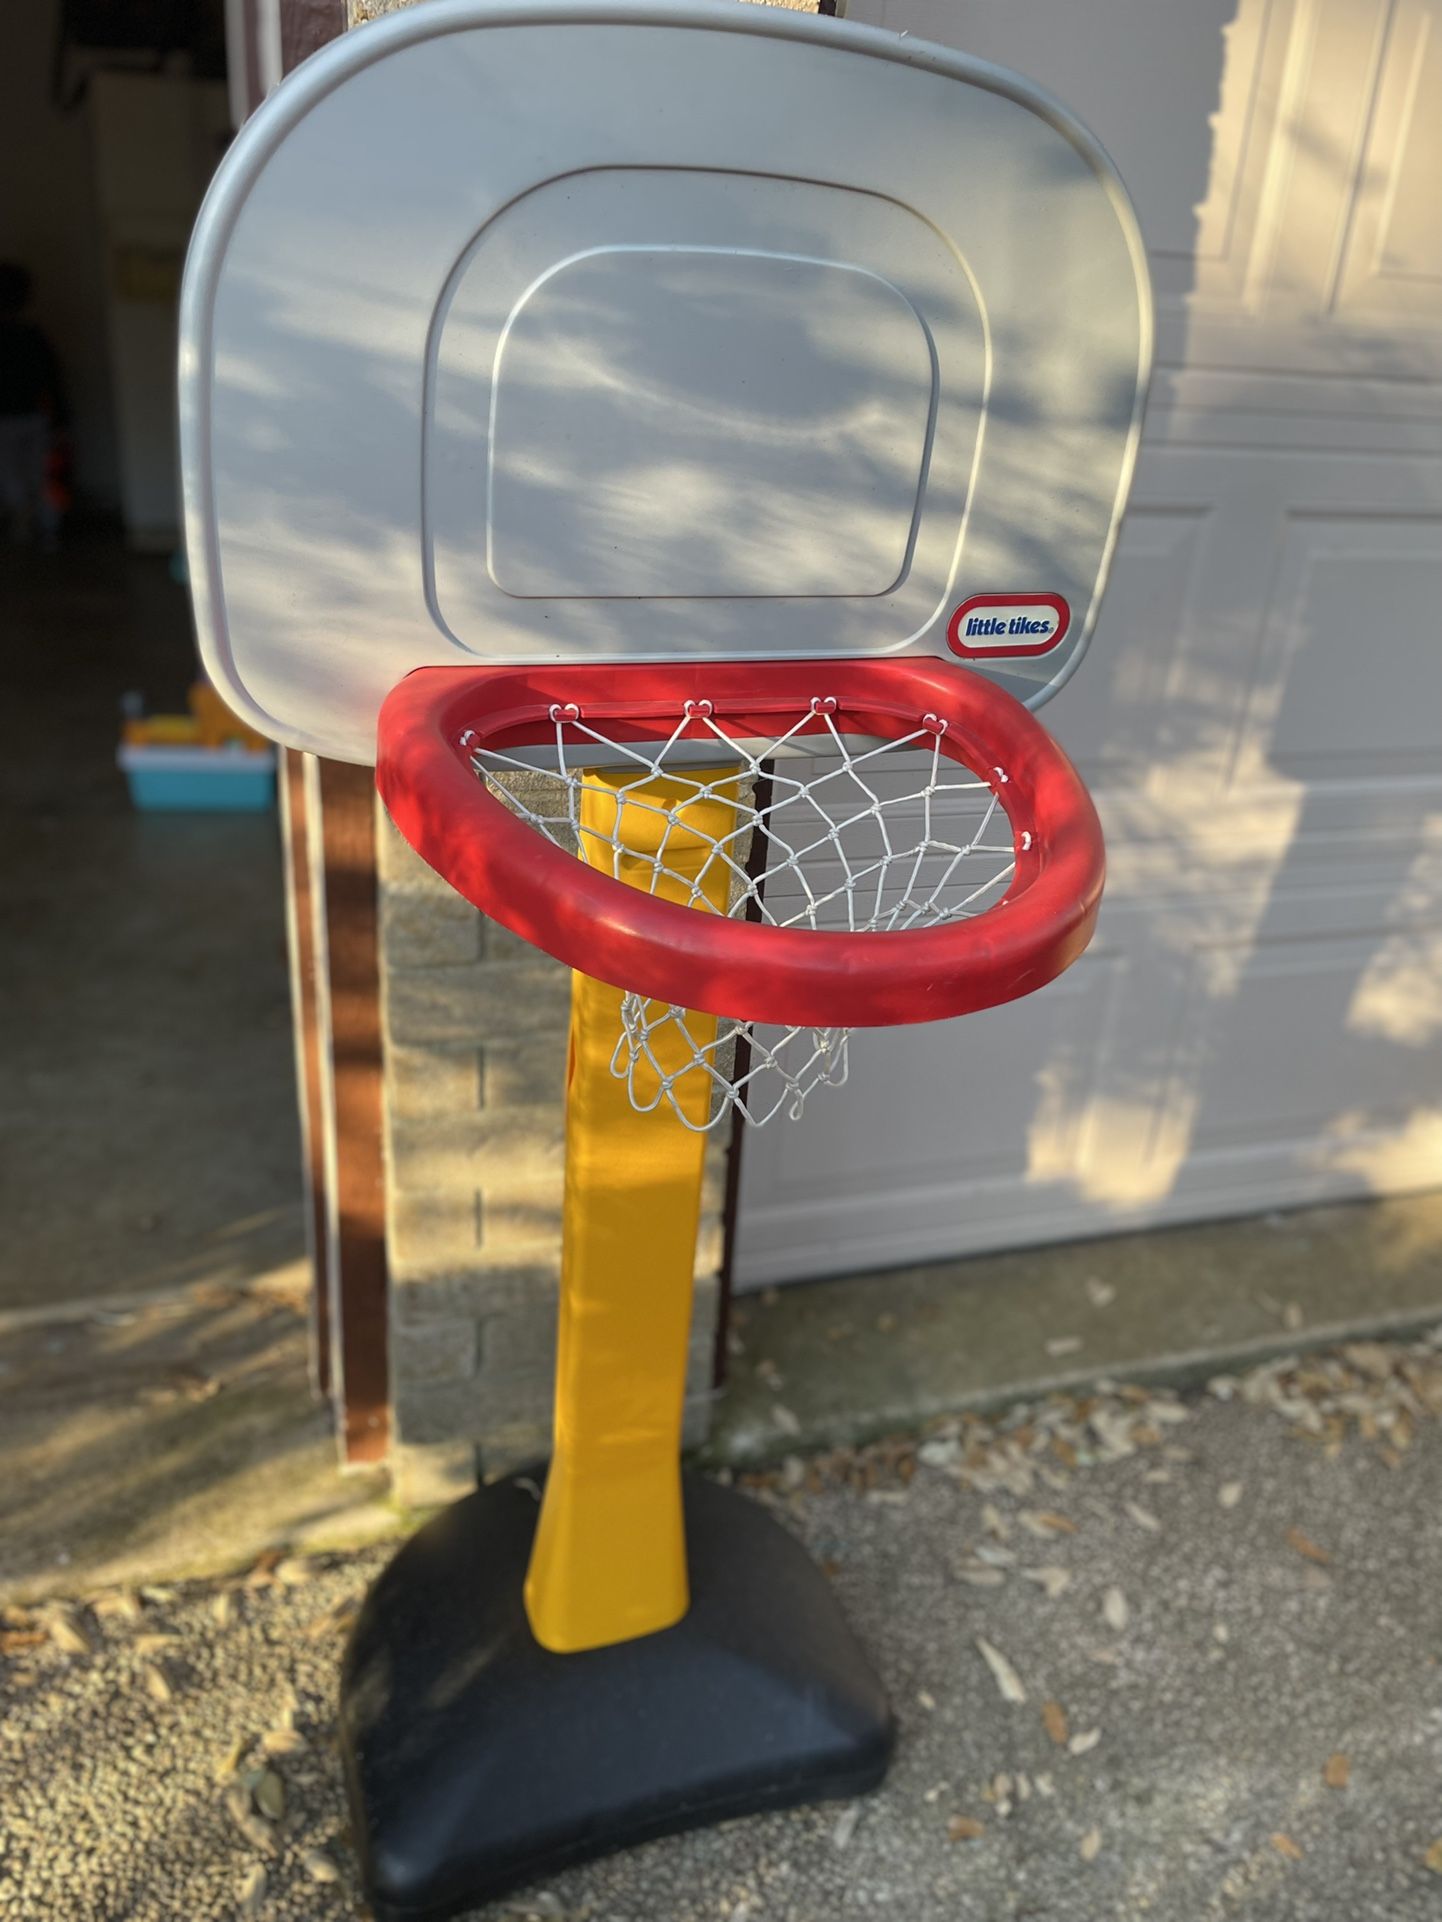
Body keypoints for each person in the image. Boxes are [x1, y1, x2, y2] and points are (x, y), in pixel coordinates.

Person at [0, 263, 66, 548]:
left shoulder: (32, 336)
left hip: (31, 417)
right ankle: (35, 527)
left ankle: (37, 527)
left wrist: (59, 417)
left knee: (31, 476)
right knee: (30, 476)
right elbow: (53, 379)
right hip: (26, 417)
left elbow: (51, 379)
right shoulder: (32, 336)